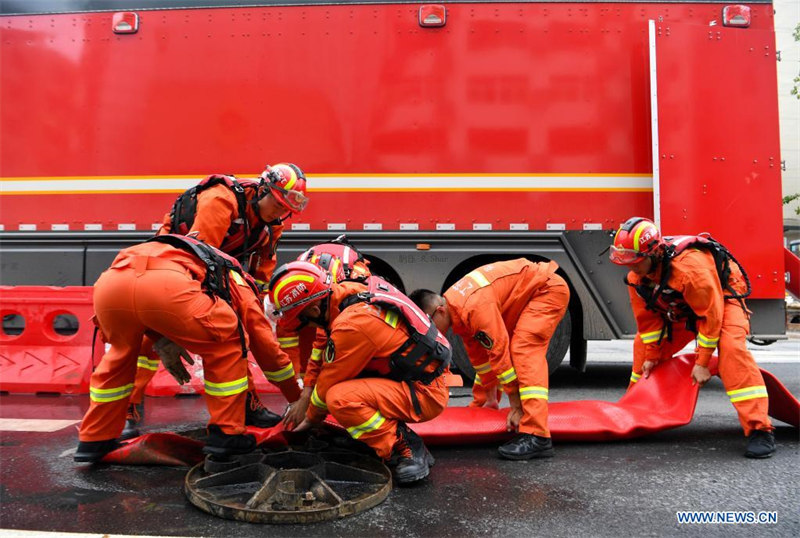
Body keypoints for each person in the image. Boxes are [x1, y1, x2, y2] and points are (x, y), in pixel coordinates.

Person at [75, 234, 298, 462]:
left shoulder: (185, 253)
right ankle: (228, 434)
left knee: (120, 355)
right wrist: (295, 395)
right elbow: (265, 346)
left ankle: (94, 438)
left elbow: (144, 305)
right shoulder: (237, 279)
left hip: (111, 283)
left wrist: (163, 340)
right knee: (227, 342)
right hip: (165, 287)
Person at [123, 163, 308, 438]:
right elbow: (197, 253)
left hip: (217, 271)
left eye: (286, 210)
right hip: (174, 267)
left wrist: (253, 304)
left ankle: (248, 404)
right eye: (278, 204)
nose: (281, 213)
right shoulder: (222, 198)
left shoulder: (271, 226)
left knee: (239, 335)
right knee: (152, 339)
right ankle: (127, 407)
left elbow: (261, 269)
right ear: (263, 189)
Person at [608, 216, 775, 458]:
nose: (629, 266)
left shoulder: (690, 269)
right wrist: (653, 355)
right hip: (686, 306)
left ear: (653, 254)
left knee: (731, 349)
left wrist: (702, 363)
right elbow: (649, 322)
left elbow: (711, 315)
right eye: (625, 260)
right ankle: (632, 412)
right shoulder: (637, 277)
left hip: (723, 298)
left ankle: (760, 429)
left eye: (635, 260)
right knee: (642, 350)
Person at [270, 261, 450, 484]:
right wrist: (306, 393)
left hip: (424, 392)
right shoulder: (344, 294)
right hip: (411, 378)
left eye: (301, 321)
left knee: (339, 398)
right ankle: (376, 438)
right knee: (334, 394)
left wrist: (310, 419)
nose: (302, 327)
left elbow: (328, 381)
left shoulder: (353, 324)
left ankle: (403, 445)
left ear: (314, 310)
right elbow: (321, 347)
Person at [410, 258, 570, 460]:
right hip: (529, 293)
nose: (429, 334)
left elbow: (498, 351)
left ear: (439, 311)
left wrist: (516, 407)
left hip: (546, 291)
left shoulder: (473, 307)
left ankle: (537, 435)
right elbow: (480, 357)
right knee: (501, 351)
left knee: (523, 349)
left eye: (428, 326)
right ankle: (487, 402)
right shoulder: (456, 306)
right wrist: (488, 400)